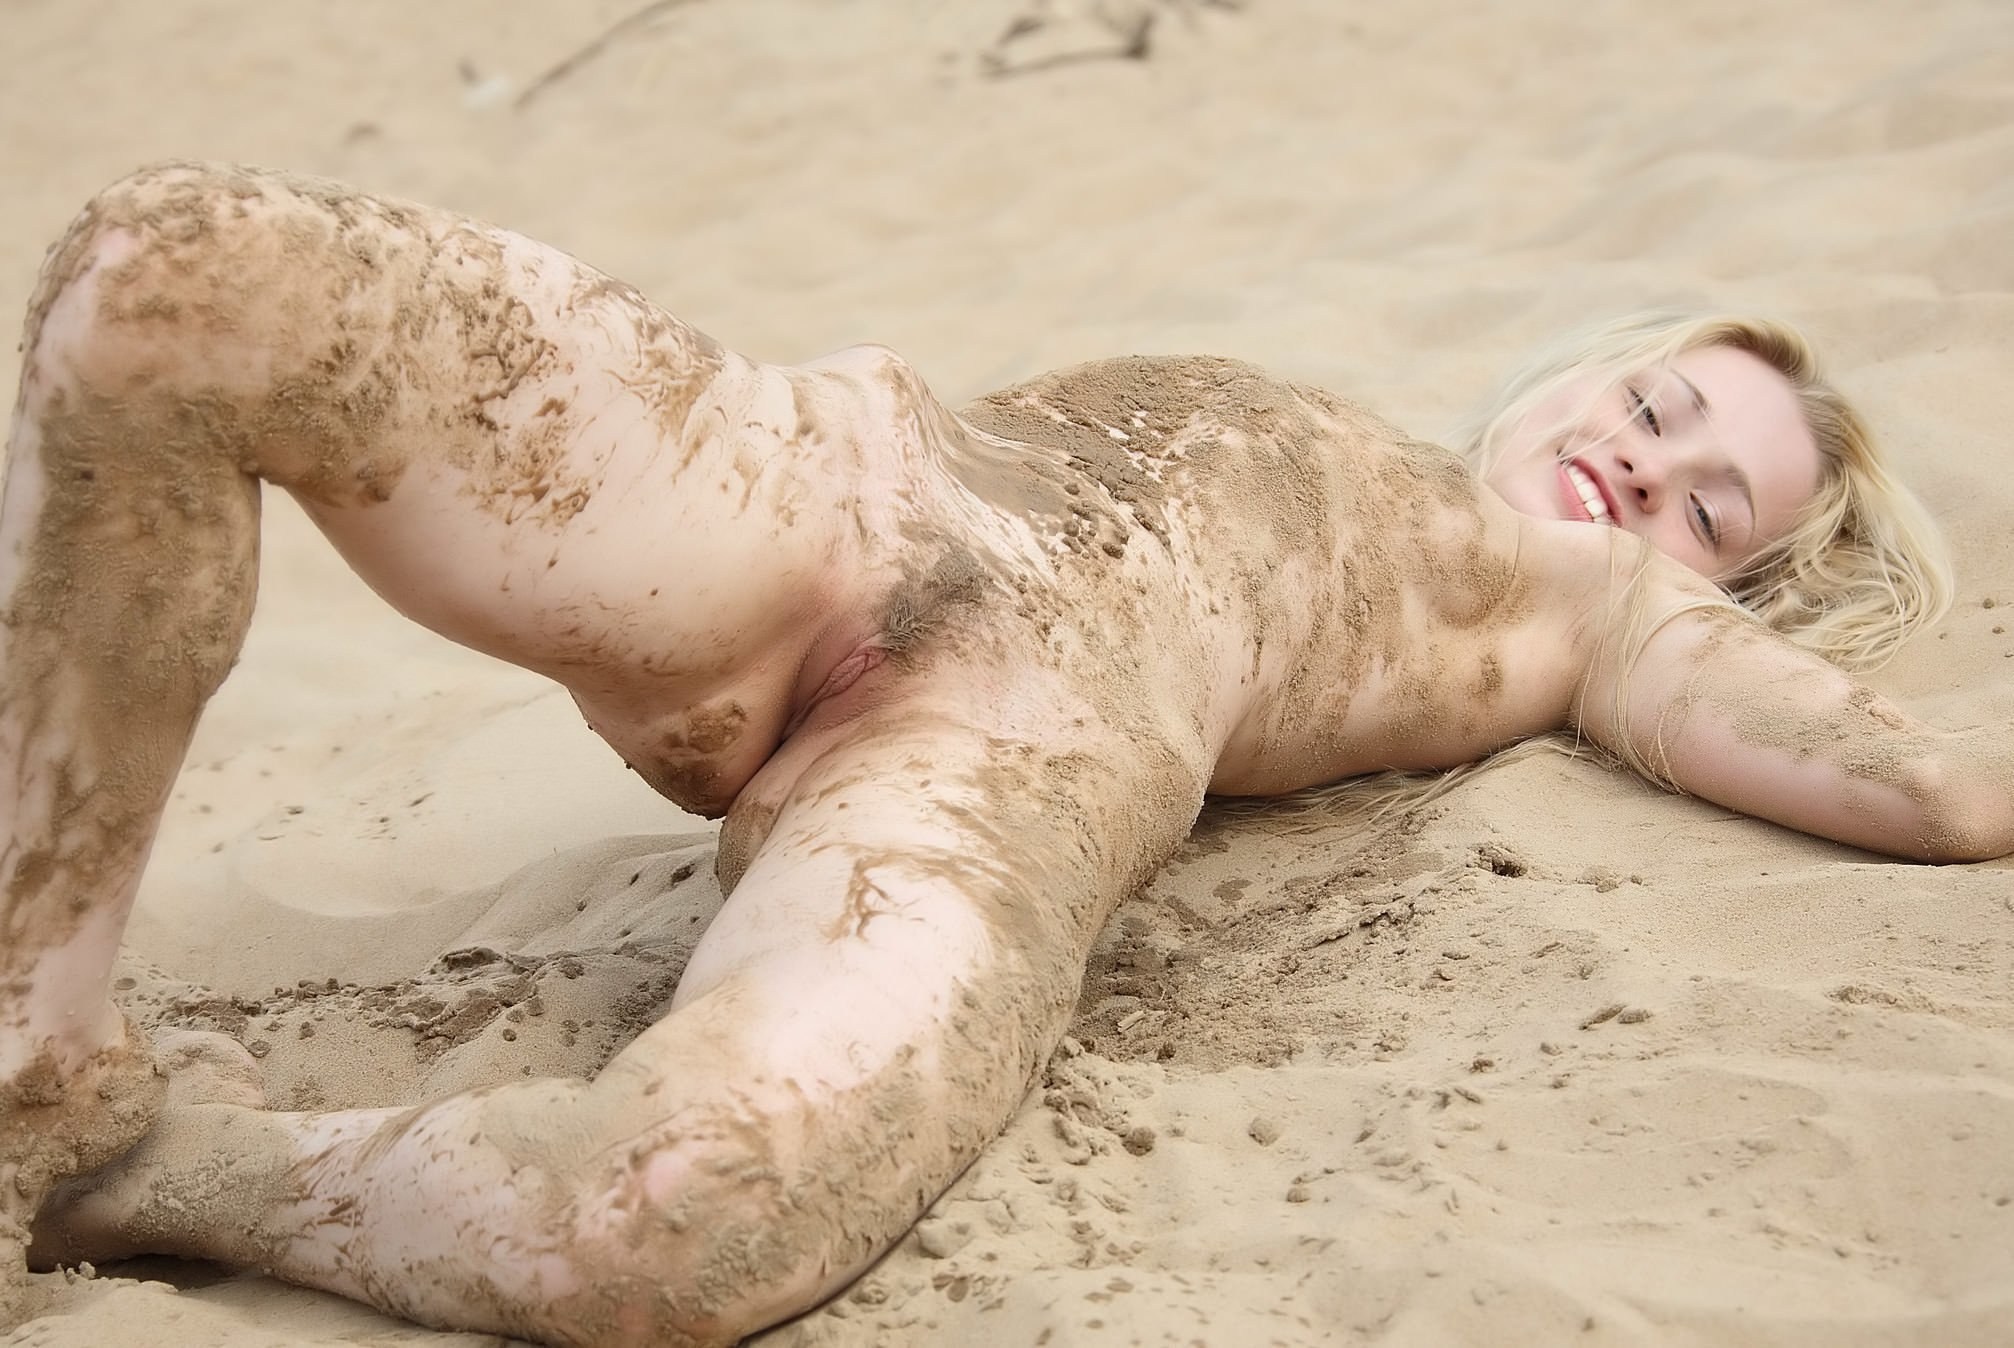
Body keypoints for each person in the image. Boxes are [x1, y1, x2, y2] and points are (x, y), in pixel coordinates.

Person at [0, 163, 2004, 1347]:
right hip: (818, 489)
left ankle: (167, 1171)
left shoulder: (1592, 606)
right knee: (173, 280)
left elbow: (1930, 790)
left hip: (1011, 746)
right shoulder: (1354, 423)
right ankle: (35, 1047)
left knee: (677, 1217)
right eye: (1653, 405)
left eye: (1709, 503)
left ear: (1730, 585)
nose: (1645, 468)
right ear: (1578, 371)